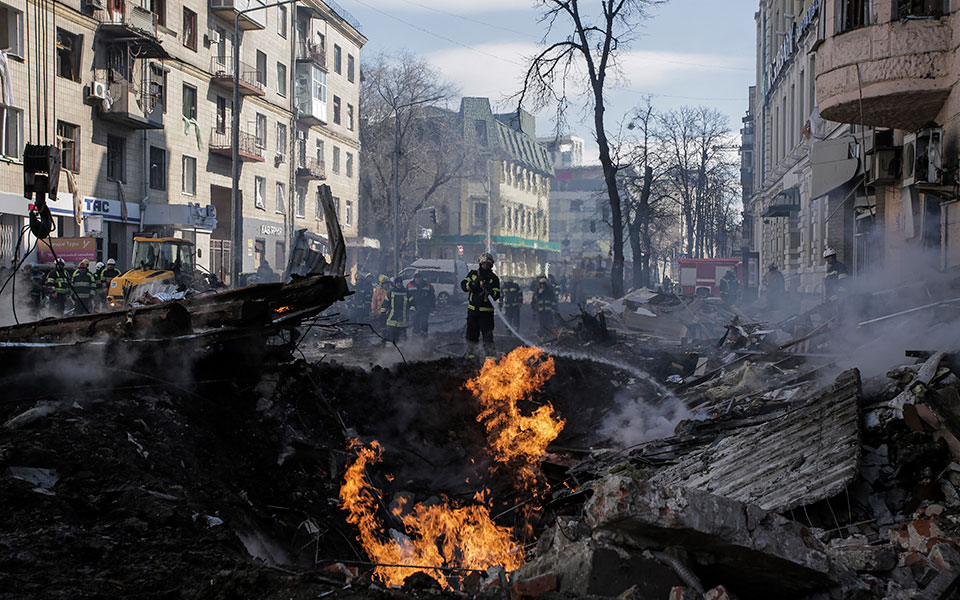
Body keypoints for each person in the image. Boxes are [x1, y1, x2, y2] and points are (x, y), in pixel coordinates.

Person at [460, 253, 501, 359]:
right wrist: (473, 284)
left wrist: (491, 291)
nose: (485, 266)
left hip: (486, 314)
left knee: (487, 336)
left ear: (491, 265)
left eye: (487, 264)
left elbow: (497, 294)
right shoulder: (473, 274)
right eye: (483, 264)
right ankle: (471, 357)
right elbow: (463, 285)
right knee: (471, 336)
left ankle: (490, 359)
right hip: (473, 312)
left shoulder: (493, 278)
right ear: (480, 264)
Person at [380, 277, 415, 344]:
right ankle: (389, 351)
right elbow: (385, 303)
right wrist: (383, 313)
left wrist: (412, 311)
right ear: (395, 283)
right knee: (390, 336)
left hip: (403, 319)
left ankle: (402, 351)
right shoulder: (391, 292)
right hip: (392, 318)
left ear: (402, 283)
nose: (399, 284)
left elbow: (412, 303)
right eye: (397, 283)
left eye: (400, 282)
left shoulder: (407, 292)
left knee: (402, 337)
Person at [407, 272, 435, 337]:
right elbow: (407, 296)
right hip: (414, 307)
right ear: (415, 279)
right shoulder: (409, 285)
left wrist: (432, 305)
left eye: (419, 278)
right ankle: (415, 335)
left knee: (424, 321)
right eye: (417, 278)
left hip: (424, 307)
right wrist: (408, 306)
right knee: (415, 321)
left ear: (421, 278)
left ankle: (424, 334)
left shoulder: (427, 285)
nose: (418, 280)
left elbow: (432, 296)